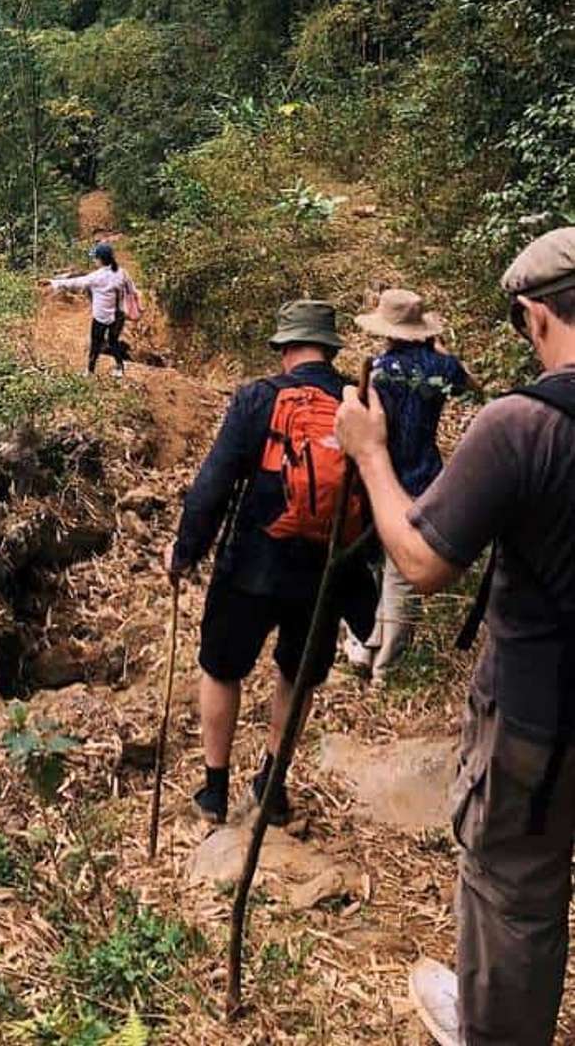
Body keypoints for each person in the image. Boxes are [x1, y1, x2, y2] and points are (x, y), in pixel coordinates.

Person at [336, 227, 575, 1046]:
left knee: (515, 892)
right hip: (445, 479)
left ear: (536, 316)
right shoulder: (449, 376)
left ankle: (494, 1030)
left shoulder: (525, 425)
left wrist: (367, 454)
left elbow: (426, 559)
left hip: (540, 720)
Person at [166, 300, 375, 825]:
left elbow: (212, 484)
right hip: (327, 572)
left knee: (220, 667)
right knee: (297, 675)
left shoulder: (258, 399)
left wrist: (185, 551)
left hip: (251, 566)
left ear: (284, 348)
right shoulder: (360, 402)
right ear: (330, 350)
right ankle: (271, 784)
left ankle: (214, 790)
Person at [343, 288, 474, 683]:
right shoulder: (441, 369)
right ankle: (387, 665)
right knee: (402, 570)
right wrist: (443, 351)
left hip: (380, 474)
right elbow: (469, 382)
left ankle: (368, 651)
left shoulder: (378, 370)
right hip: (424, 476)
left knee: (376, 562)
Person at [48, 243, 139, 378]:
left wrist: (53, 282)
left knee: (96, 344)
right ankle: (120, 368)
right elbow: (131, 289)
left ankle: (89, 372)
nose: (94, 261)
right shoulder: (122, 272)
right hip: (118, 315)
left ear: (101, 259)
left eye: (95, 258)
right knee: (113, 342)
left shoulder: (97, 276)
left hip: (101, 317)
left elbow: (76, 282)